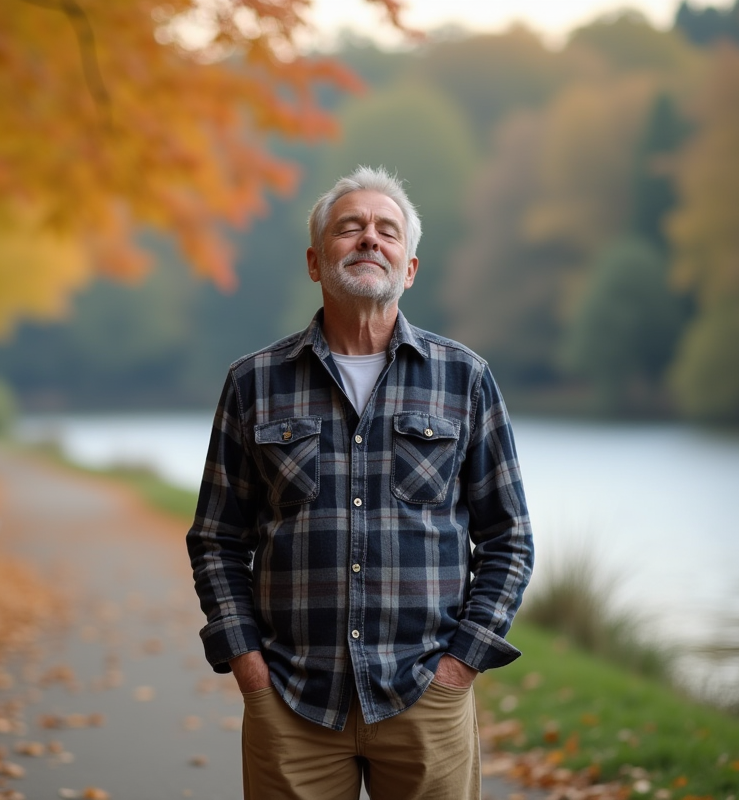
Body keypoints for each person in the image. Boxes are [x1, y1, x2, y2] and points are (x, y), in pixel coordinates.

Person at [185, 166, 535, 799]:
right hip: (291, 699)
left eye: (387, 231)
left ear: (410, 267)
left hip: (426, 696)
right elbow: (216, 539)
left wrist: (460, 665)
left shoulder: (465, 380)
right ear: (317, 263)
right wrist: (247, 665)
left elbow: (509, 539)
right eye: (350, 228)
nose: (370, 239)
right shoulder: (253, 383)